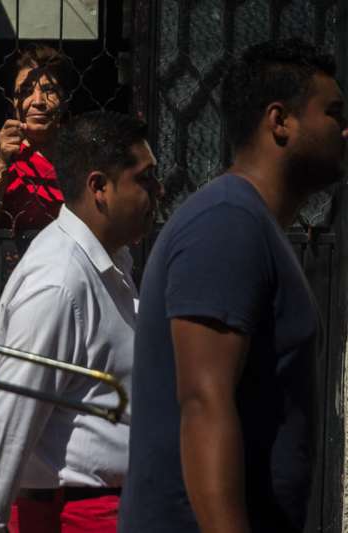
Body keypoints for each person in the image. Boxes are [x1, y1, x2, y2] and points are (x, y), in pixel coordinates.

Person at [119, 38, 348, 533]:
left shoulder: (251, 225)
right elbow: (204, 401)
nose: (344, 129)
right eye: (332, 113)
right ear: (280, 121)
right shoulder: (226, 224)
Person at [0, 111, 161, 533]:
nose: (157, 192)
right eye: (144, 179)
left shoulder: (111, 261)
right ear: (99, 187)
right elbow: (9, 423)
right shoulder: (59, 283)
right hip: (70, 518)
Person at [0, 44, 69, 230]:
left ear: (64, 100)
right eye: (26, 91)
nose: (38, 102)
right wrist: (1, 162)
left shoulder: (80, 150)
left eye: (49, 90)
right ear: (13, 101)